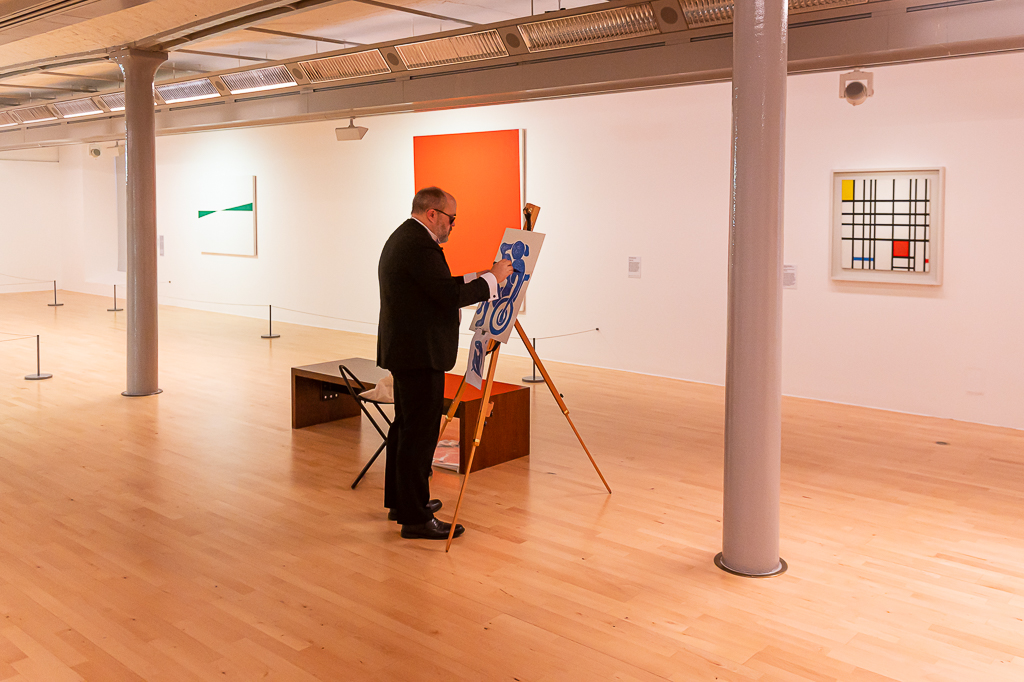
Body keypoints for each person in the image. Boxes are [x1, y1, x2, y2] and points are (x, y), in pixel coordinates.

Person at [377, 187, 514, 540]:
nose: (453, 226)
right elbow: (447, 296)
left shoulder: (407, 238)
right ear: (433, 213)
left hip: (408, 351)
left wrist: (483, 276)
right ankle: (416, 518)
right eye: (452, 219)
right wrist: (494, 280)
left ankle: (403, 502)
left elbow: (436, 287)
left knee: (406, 428)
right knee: (419, 434)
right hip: (418, 353)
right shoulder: (419, 245)